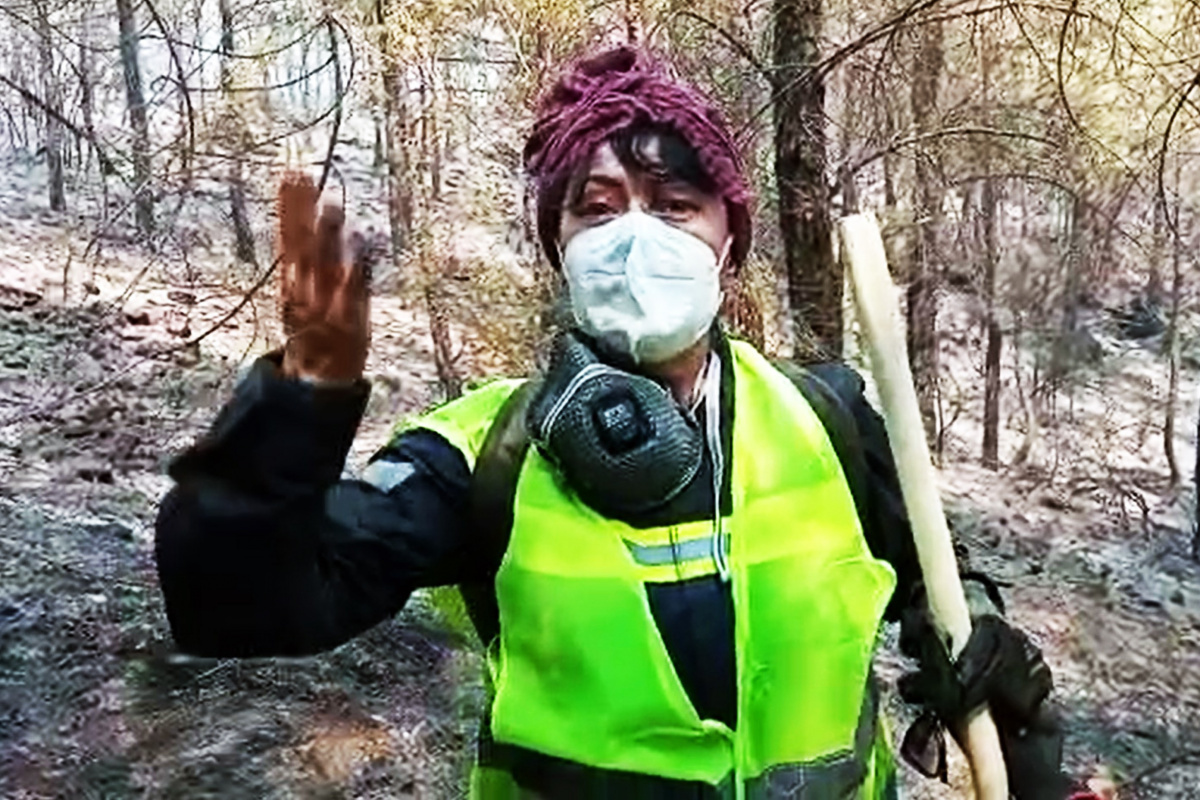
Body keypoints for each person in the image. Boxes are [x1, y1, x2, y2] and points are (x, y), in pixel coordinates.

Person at [155, 46, 1106, 800]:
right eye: (598, 210)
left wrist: (979, 647)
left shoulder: (830, 418)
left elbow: (937, 586)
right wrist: (298, 405)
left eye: (676, 207)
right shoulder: (482, 457)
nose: (636, 237)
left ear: (729, 243)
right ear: (559, 245)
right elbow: (237, 606)